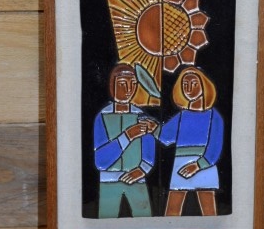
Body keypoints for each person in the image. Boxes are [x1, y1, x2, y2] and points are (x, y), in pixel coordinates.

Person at [156, 67, 223, 216]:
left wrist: (198, 165)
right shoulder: (182, 116)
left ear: (204, 86)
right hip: (181, 164)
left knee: (208, 209)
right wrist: (151, 127)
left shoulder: (213, 116)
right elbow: (165, 137)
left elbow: (214, 148)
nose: (189, 88)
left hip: (204, 166)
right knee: (172, 208)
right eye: (185, 84)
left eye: (194, 84)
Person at [94, 64, 157, 218]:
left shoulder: (141, 116)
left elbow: (149, 152)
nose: (129, 89)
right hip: (108, 181)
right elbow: (100, 160)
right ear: (112, 86)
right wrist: (127, 136)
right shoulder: (102, 117)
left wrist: (142, 170)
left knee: (144, 221)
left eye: (133, 84)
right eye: (122, 84)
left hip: (137, 179)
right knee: (106, 221)